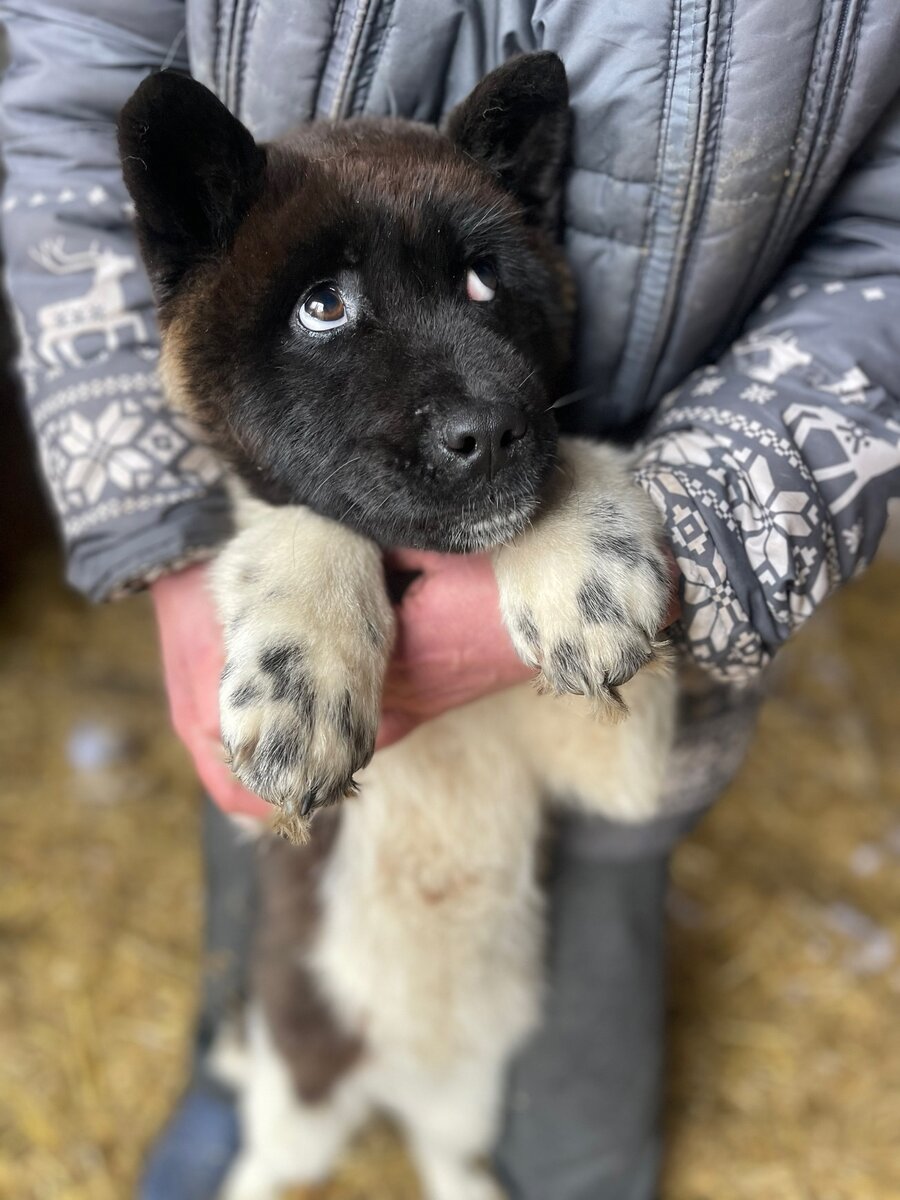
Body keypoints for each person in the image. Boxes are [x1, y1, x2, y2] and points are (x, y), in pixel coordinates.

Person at [2, 3, 899, 1199]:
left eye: (484, 284)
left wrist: (694, 515)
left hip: (668, 485)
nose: (469, 402)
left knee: (575, 1094)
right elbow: (78, 68)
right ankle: (248, 1092)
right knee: (274, 892)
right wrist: (163, 543)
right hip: (264, 528)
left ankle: (551, 1163)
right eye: (329, 308)